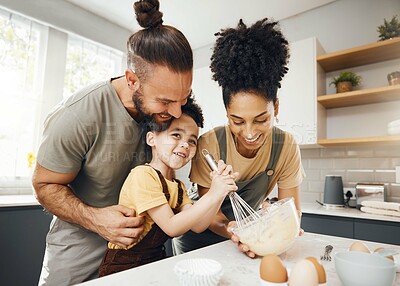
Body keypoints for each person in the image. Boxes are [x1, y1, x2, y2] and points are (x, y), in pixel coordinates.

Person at [32, 0, 195, 284]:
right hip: (80, 259)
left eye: (183, 99)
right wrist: (95, 219)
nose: (177, 113)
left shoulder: (167, 113)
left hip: (144, 257)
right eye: (166, 101)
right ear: (132, 80)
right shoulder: (78, 115)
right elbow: (44, 184)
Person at [173, 18, 305, 258]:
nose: (250, 133)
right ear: (226, 113)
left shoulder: (285, 147)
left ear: (275, 107)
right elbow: (209, 214)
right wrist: (234, 229)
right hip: (198, 241)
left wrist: (278, 222)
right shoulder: (210, 144)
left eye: (261, 119)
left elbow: (291, 208)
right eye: (237, 121)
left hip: (250, 239)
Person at [99, 98, 238, 276]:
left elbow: (198, 225)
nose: (185, 145)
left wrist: (220, 193)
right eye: (176, 135)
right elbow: (171, 226)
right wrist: (213, 193)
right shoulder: (143, 175)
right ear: (151, 138)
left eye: (192, 141)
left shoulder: (178, 187)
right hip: (122, 267)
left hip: (154, 262)